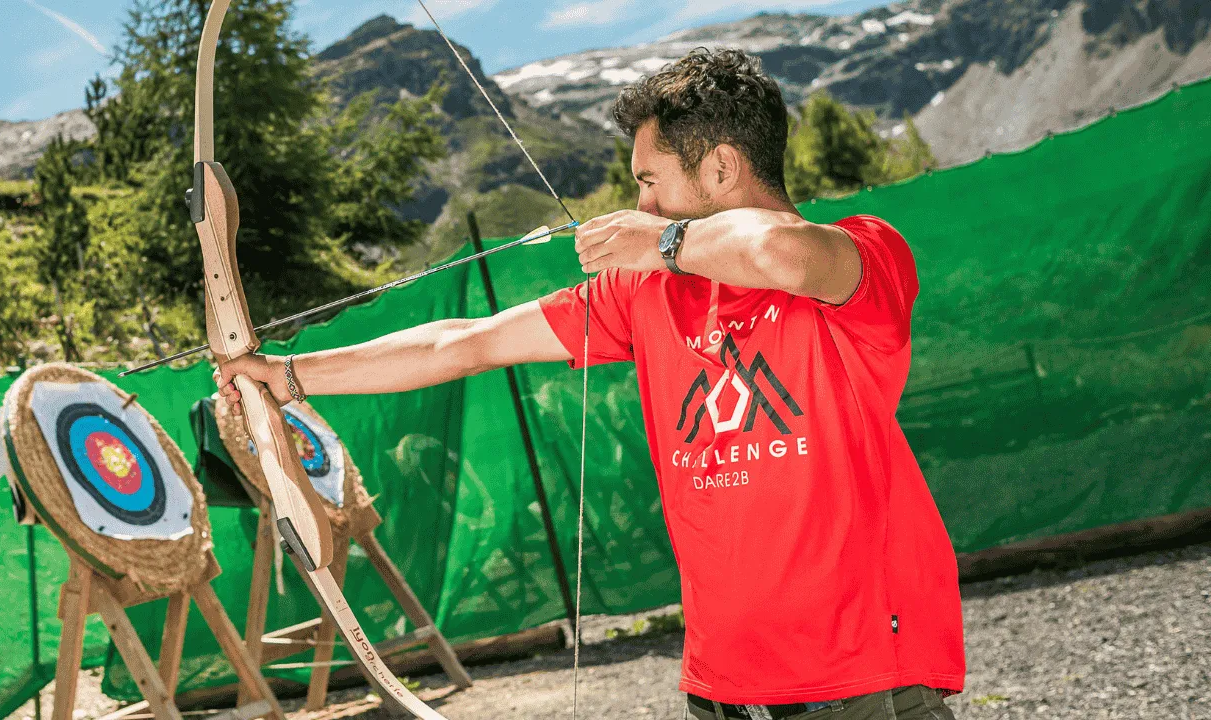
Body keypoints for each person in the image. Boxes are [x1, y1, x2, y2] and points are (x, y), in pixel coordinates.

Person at [214, 48, 964, 719]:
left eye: (650, 181)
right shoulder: (649, 294)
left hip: (865, 679)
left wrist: (662, 241)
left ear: (723, 169)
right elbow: (463, 343)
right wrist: (286, 374)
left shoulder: (862, 256)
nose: (638, 204)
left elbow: (781, 254)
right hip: (725, 684)